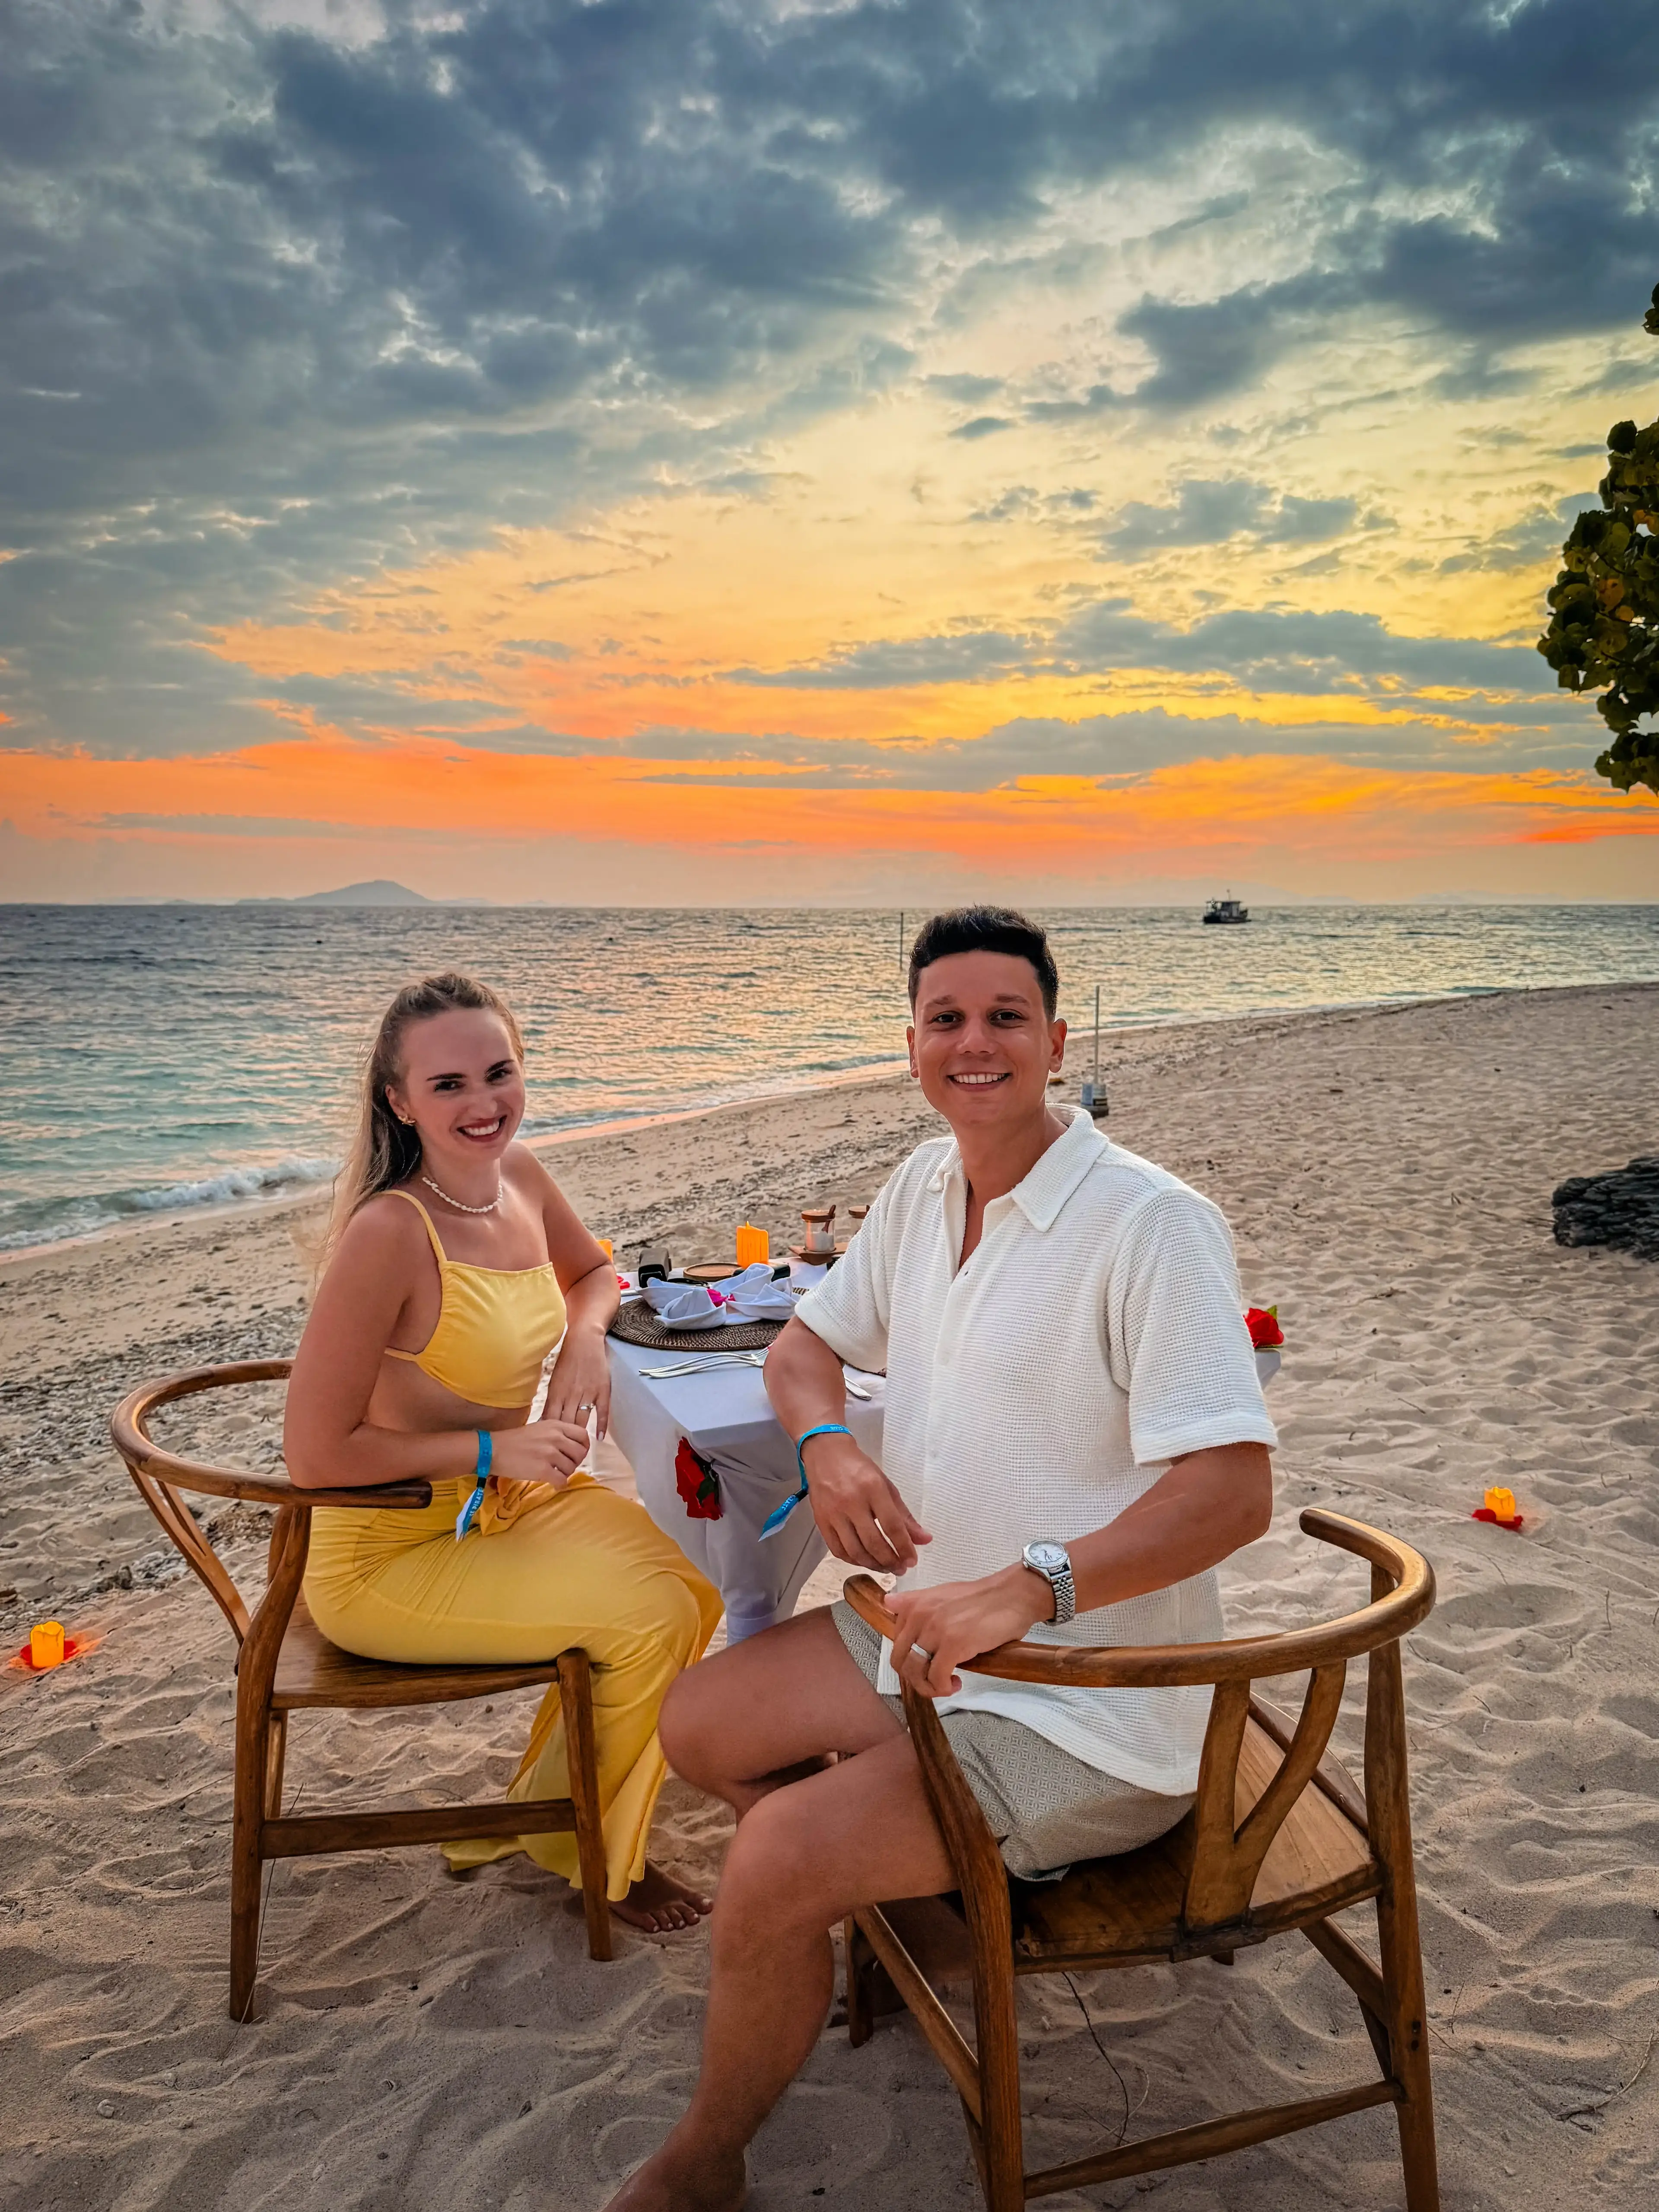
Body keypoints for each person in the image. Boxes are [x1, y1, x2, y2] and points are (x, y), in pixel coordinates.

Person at [605, 905, 1279, 2209]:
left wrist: (1034, 1580)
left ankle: (707, 2157)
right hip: (924, 1634)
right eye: (947, 1018)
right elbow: (805, 1348)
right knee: (696, 1722)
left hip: (1092, 1705)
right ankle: (891, 1889)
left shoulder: (1151, 1224)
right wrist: (825, 1450)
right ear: (913, 1041)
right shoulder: (923, 1183)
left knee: (775, 1858)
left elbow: (1235, 1490)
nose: (976, 1043)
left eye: (1005, 1017)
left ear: (1057, 1037)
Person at [284, 971, 721, 1933]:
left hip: (503, 1506)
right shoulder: (390, 1232)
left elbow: (597, 1271)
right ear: (400, 1101)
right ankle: (600, 1857)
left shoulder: (519, 1177)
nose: (483, 1105)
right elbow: (314, 1452)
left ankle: (560, 1817)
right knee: (648, 1618)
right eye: (448, 1087)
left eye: (499, 1073)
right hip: (390, 1551)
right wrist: (491, 1448)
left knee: (697, 1584)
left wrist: (585, 1342)